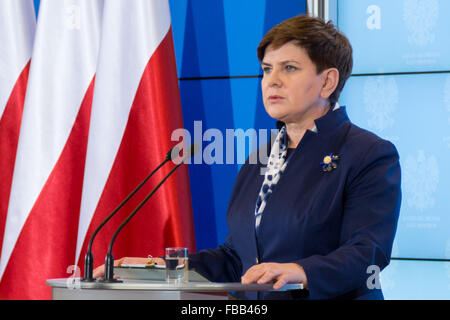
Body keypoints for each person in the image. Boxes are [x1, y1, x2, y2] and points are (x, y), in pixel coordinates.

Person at [94, 14, 401, 300]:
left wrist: (302, 271)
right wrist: (156, 269)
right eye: (268, 69)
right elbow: (235, 257)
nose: (272, 81)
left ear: (328, 81)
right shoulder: (262, 157)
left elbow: (367, 252)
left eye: (289, 68)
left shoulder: (368, 153)